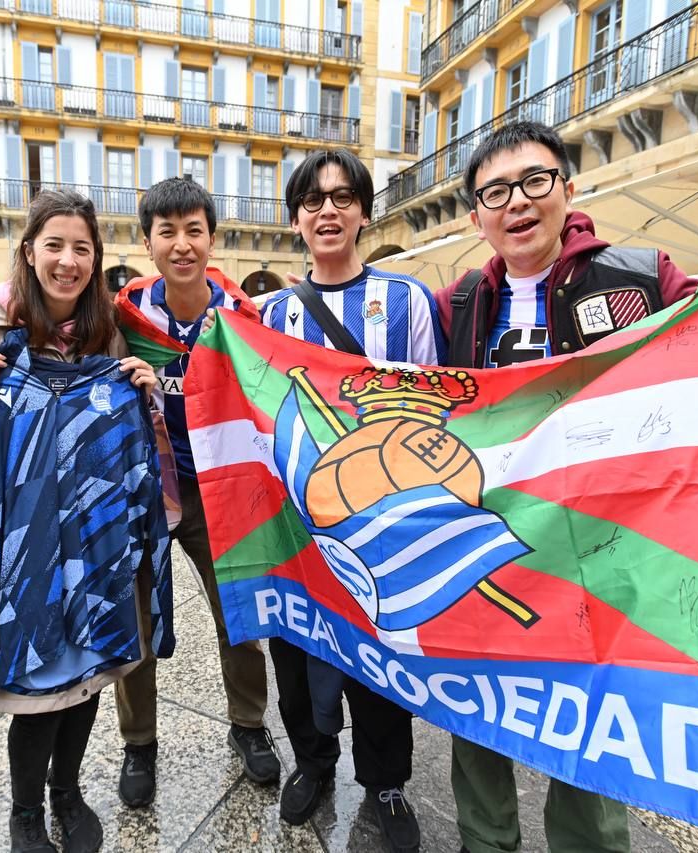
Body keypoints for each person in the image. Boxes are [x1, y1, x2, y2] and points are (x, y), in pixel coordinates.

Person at [434, 121, 698, 853]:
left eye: (534, 181)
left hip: (604, 558)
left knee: (594, 729)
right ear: (477, 215)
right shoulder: (457, 304)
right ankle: (483, 843)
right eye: (495, 192)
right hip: (494, 549)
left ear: (567, 188)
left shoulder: (640, 277)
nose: (517, 202)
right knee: (476, 714)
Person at [0, 189, 163, 853]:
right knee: (38, 684)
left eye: (81, 248)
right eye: (54, 245)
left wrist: (144, 393)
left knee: (87, 674)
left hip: (93, 538)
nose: (68, 261)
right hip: (23, 539)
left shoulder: (105, 331)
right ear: (29, 251)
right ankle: (26, 810)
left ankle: (68, 790)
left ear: (96, 259)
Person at [258, 149, 443, 853]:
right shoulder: (271, 313)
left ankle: (386, 781)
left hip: (382, 521)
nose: (327, 210)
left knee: (382, 656)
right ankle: (312, 760)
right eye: (312, 200)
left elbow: (437, 403)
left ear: (364, 212)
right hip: (294, 524)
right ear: (296, 220)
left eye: (342, 197)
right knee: (296, 649)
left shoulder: (407, 302)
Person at [111, 177, 280, 806]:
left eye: (194, 231)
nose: (181, 245)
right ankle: (139, 742)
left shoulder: (241, 318)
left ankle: (249, 724)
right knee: (137, 622)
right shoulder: (126, 315)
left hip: (218, 492)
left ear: (213, 238)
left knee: (238, 614)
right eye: (167, 232)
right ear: (147, 242)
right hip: (147, 490)